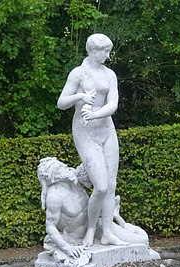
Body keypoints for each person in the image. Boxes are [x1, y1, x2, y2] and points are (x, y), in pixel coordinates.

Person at [57, 33, 125, 247]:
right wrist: (80, 97)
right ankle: (91, 230)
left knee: (111, 184)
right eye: (105, 51)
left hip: (106, 129)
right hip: (85, 132)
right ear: (94, 51)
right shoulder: (78, 74)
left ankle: (107, 233)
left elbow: (113, 104)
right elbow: (61, 103)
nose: (107, 55)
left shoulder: (110, 75)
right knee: (101, 187)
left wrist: (96, 114)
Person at [37, 158, 149, 259]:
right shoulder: (54, 197)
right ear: (53, 176)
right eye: (60, 167)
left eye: (62, 165)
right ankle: (116, 224)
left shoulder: (73, 180)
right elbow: (50, 227)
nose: (65, 167)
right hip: (77, 236)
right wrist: (68, 248)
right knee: (140, 241)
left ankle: (119, 220)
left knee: (142, 240)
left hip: (96, 225)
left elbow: (91, 167)